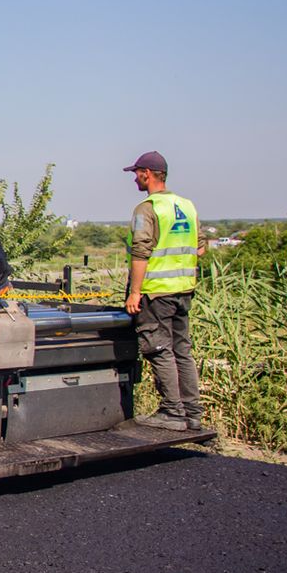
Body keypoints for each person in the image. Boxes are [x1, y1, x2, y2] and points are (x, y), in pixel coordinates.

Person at [123, 150, 204, 430]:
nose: (134, 178)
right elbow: (201, 246)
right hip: (183, 290)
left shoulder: (147, 209)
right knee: (183, 351)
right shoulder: (187, 205)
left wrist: (135, 292)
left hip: (156, 292)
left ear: (147, 173)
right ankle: (193, 413)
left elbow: (141, 252)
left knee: (159, 349)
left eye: (136, 173)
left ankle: (172, 411)